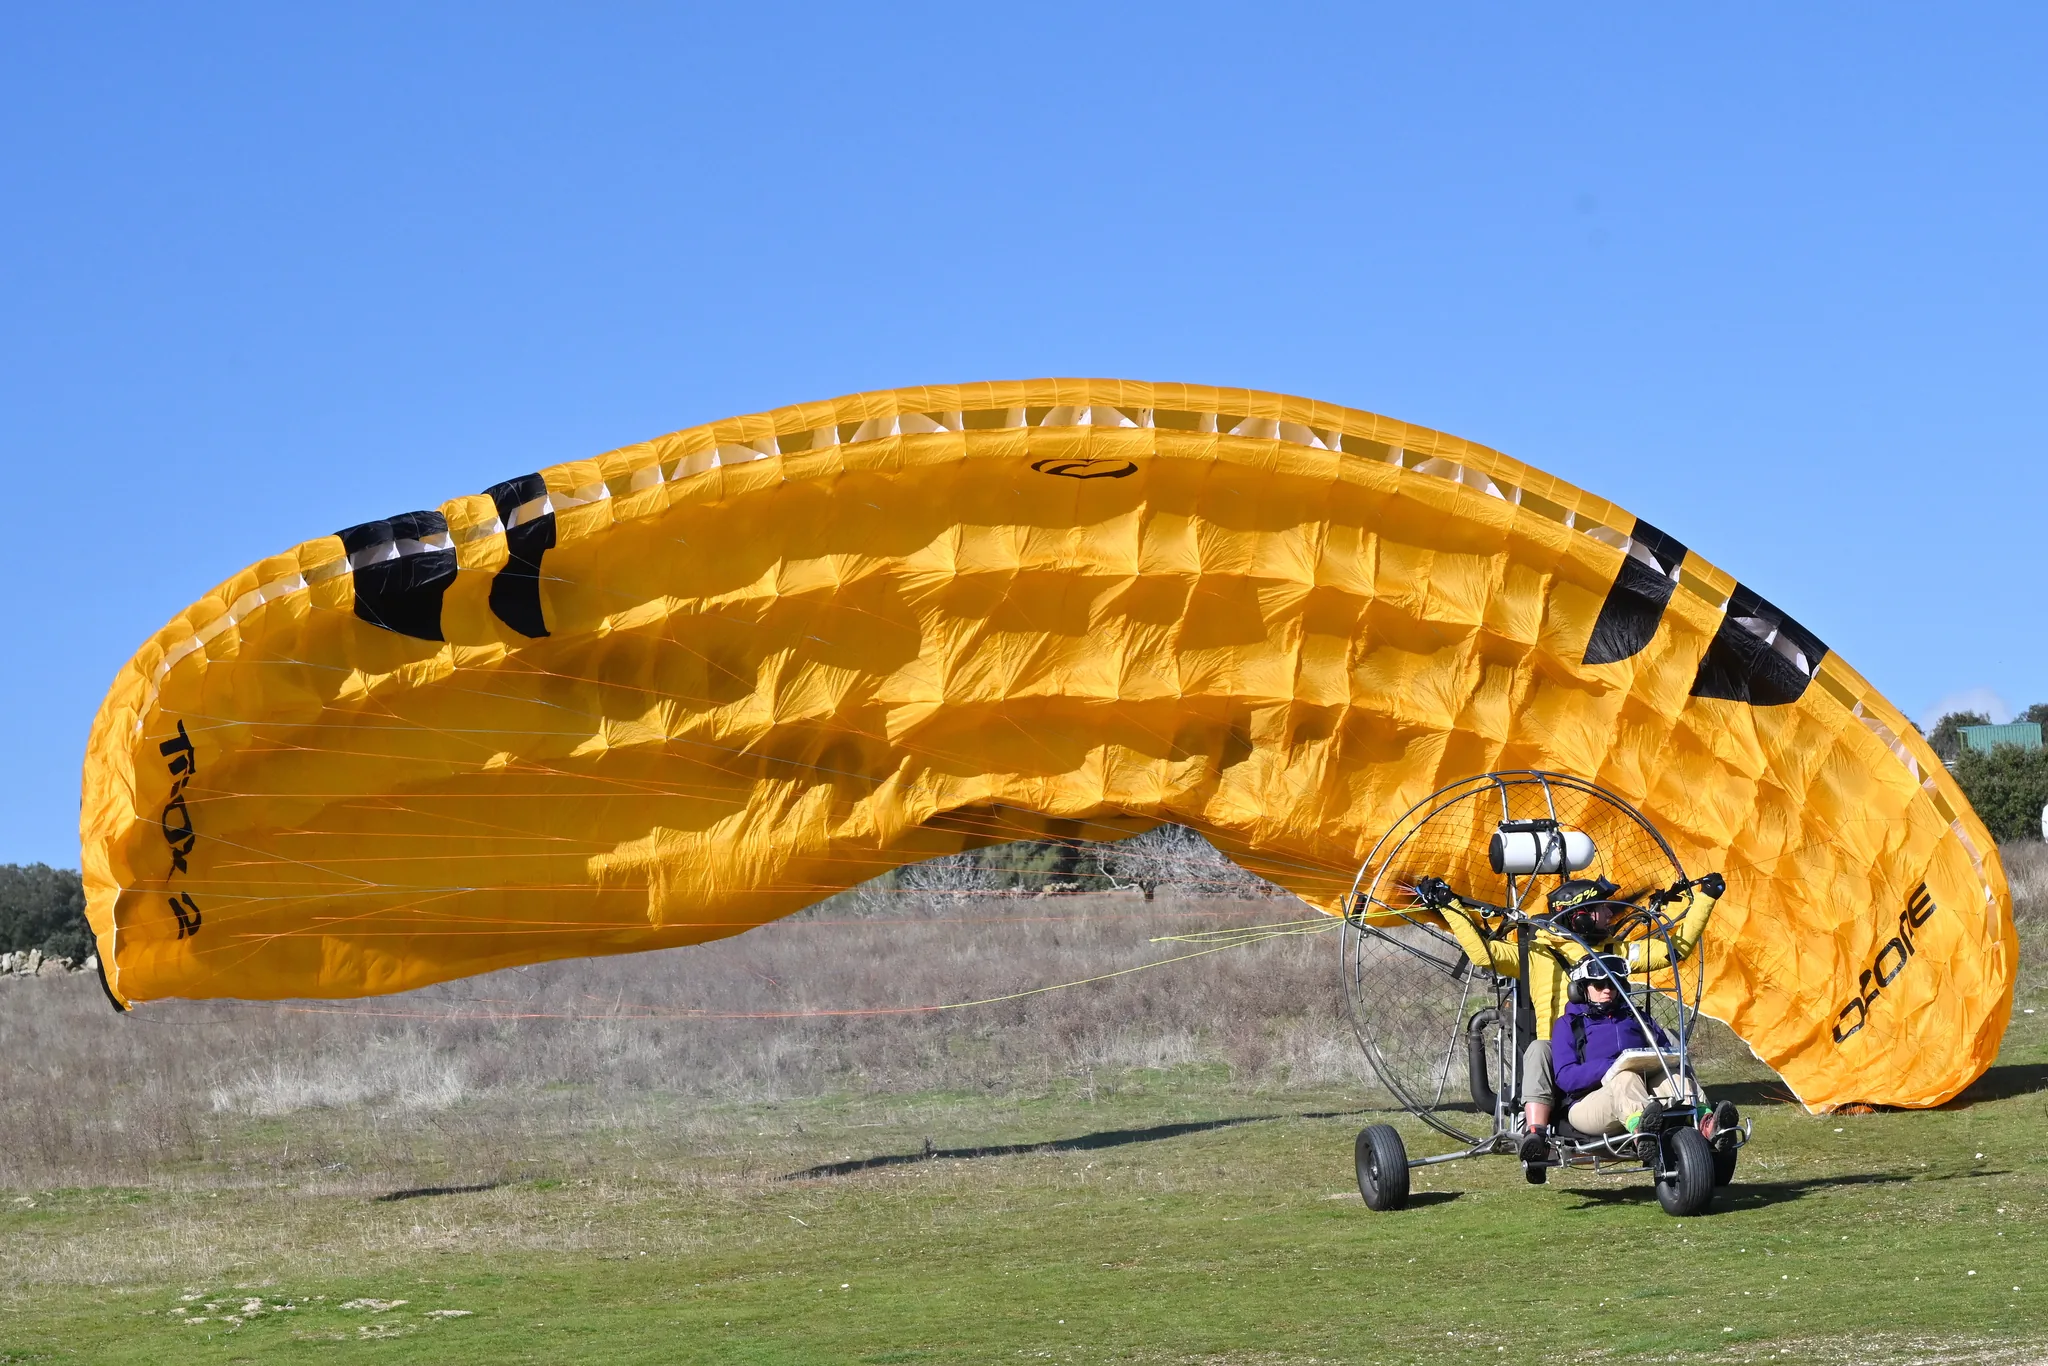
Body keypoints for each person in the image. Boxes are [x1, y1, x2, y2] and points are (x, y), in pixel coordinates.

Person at [1518, 954, 1733, 1160]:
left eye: (1613, 984)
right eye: (1600, 985)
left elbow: (1664, 1050)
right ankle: (1642, 1133)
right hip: (1588, 1103)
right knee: (1625, 1077)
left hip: (1644, 1091)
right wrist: (1613, 1067)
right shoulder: (1569, 1024)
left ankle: (1707, 1123)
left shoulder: (1637, 1018)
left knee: (1675, 1077)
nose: (1607, 991)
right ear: (1583, 988)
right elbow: (1566, 1077)